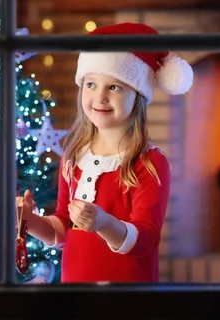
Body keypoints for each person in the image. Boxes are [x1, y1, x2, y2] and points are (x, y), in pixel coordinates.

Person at [17, 22, 194, 283]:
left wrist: (103, 224)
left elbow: (147, 239)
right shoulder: (74, 155)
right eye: (91, 84)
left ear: (138, 96)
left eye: (114, 87)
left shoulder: (150, 162)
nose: (99, 97)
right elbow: (63, 227)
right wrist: (29, 221)